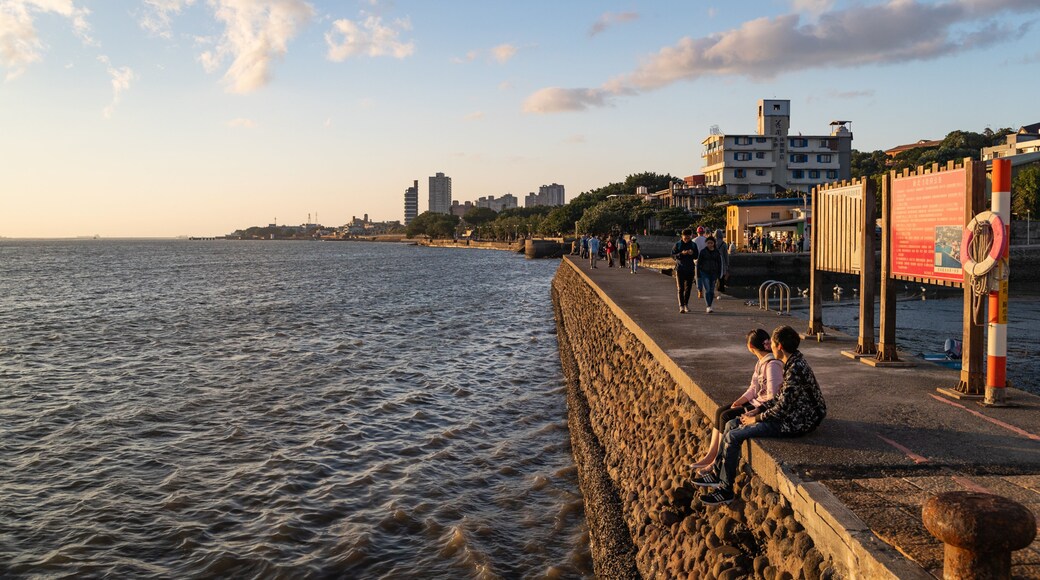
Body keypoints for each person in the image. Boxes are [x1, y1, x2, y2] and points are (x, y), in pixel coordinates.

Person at [693, 326, 827, 506]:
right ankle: (717, 474)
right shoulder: (792, 361)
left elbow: (782, 408)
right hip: (793, 415)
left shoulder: (794, 368)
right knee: (731, 423)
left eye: (771, 343)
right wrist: (758, 409)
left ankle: (725, 489)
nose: (768, 347)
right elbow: (781, 397)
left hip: (798, 422)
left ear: (779, 346)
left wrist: (755, 419)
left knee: (734, 434)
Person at [688, 329, 781, 474]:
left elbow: (773, 396)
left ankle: (715, 461)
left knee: (727, 417)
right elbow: (753, 388)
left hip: (762, 407)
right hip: (757, 401)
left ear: (750, 346)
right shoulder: (760, 362)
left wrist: (756, 410)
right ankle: (710, 455)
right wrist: (739, 401)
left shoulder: (772, 365)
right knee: (720, 411)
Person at [671, 229, 697, 313]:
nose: (687, 237)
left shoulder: (693, 245)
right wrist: (681, 254)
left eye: (688, 236)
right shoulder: (678, 244)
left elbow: (697, 256)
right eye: (685, 236)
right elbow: (673, 255)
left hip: (690, 269)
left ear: (691, 236)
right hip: (680, 269)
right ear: (682, 236)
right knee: (680, 288)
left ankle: (686, 304)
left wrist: (692, 253)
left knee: (688, 288)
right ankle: (681, 306)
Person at [697, 236, 723, 313]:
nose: (710, 244)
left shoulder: (717, 252)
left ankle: (710, 305)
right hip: (705, 273)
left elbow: (719, 263)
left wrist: (719, 274)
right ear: (706, 243)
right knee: (707, 289)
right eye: (708, 243)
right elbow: (699, 263)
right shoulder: (703, 252)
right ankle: (708, 306)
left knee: (711, 290)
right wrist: (698, 274)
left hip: (714, 273)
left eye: (711, 243)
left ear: (714, 243)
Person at [692, 226, 708, 297]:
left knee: (698, 276)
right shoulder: (707, 240)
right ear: (703, 232)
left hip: (697, 261)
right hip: (705, 261)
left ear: (697, 232)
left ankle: (700, 291)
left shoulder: (694, 240)